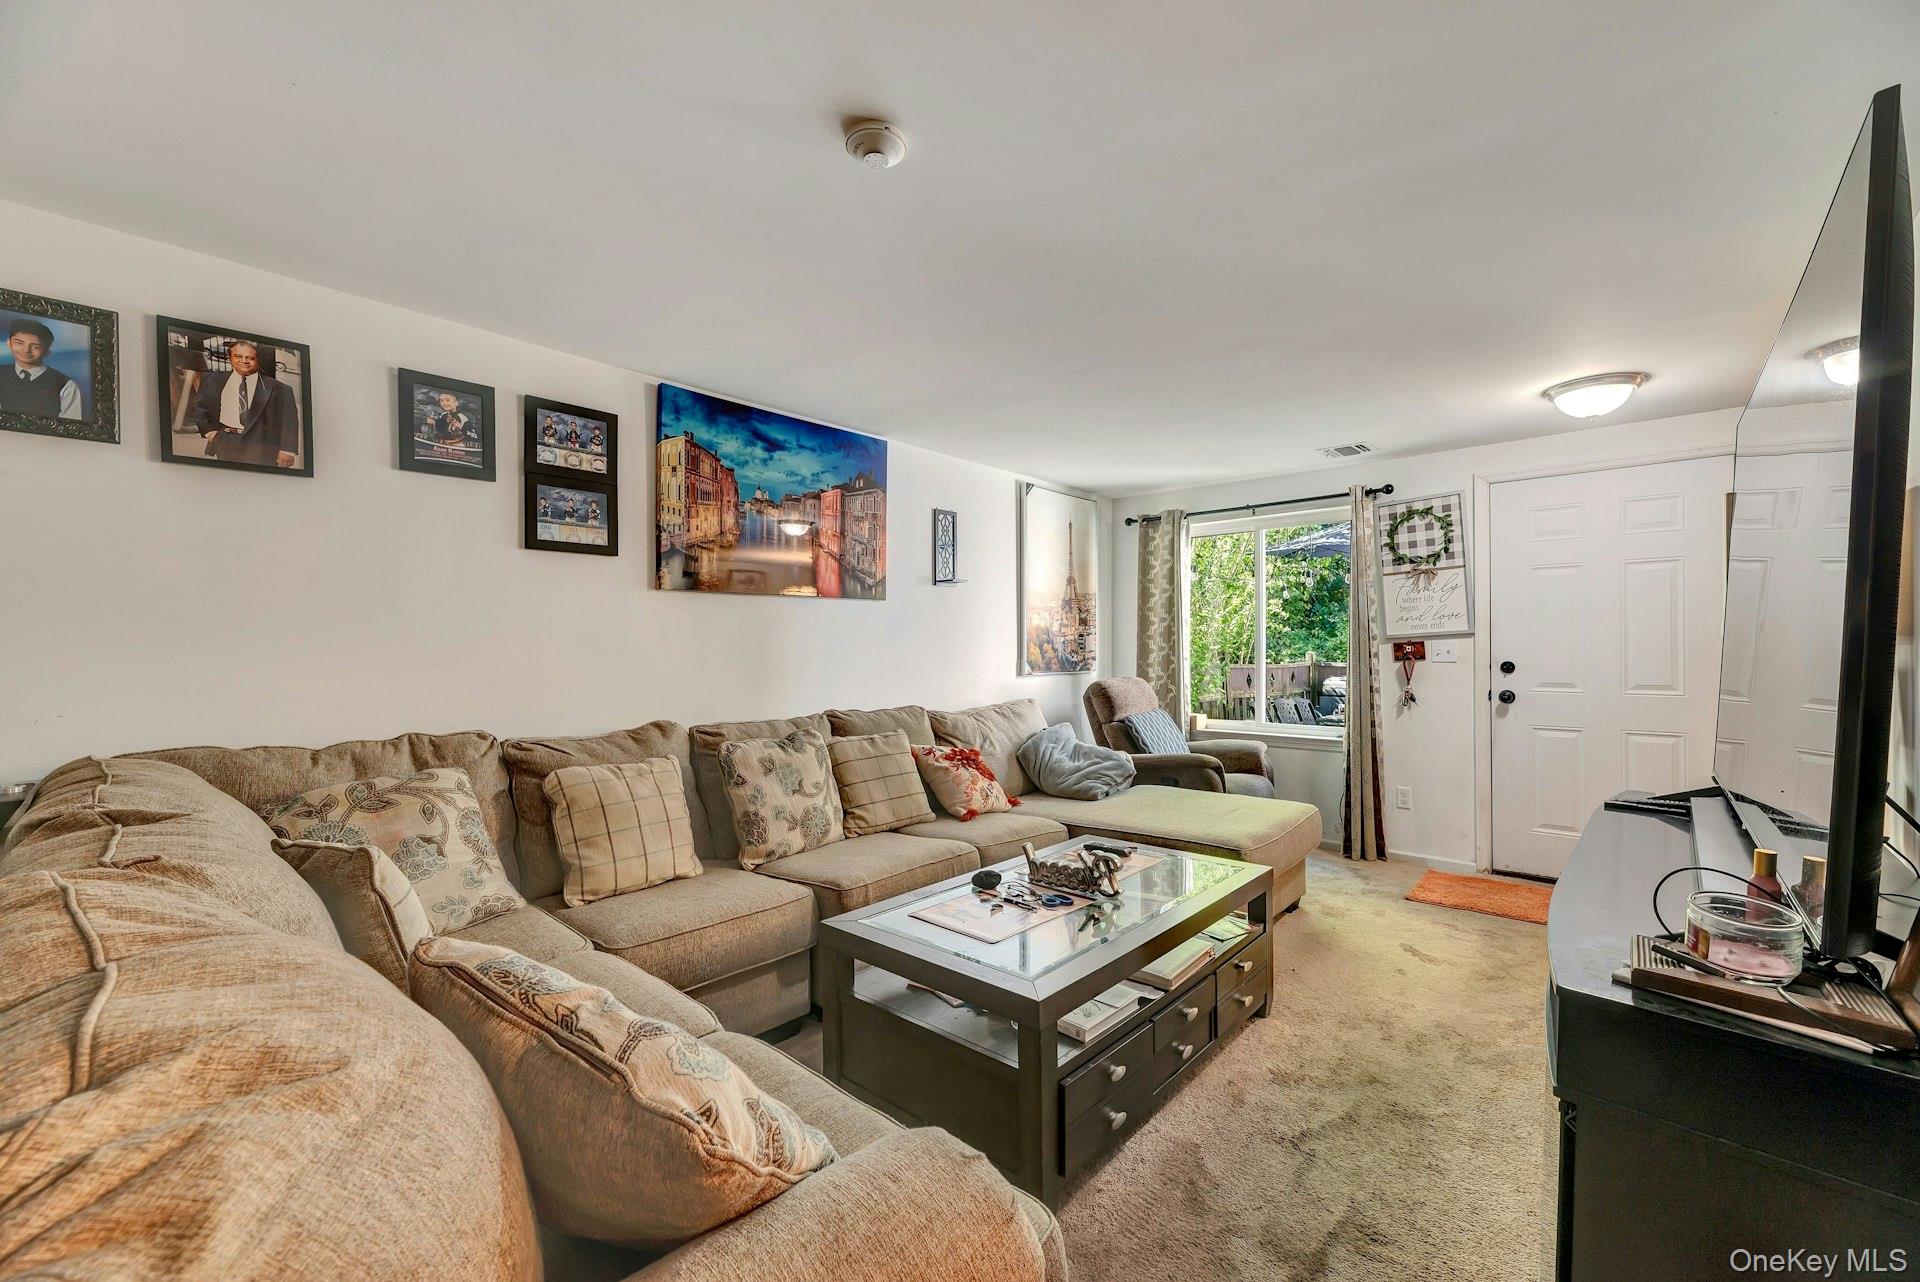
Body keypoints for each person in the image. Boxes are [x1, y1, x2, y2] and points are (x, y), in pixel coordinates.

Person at [185, 340, 300, 467]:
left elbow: (289, 420)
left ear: (258, 360)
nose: (244, 361)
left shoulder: (280, 389)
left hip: (261, 445)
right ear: (230, 358)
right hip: (225, 441)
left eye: (250, 358)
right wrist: (209, 431)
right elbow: (199, 405)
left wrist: (287, 449)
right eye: (238, 356)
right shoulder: (212, 379)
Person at [0, 318, 82, 420]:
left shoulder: (66, 385)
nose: (26, 350)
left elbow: (72, 426)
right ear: (9, 344)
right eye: (19, 343)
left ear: (47, 352)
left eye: (36, 347)